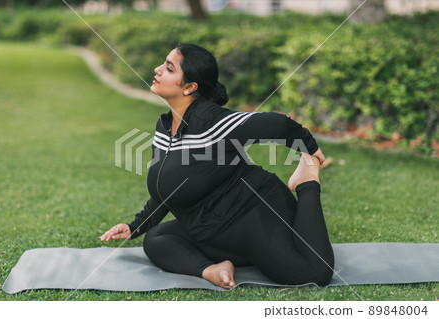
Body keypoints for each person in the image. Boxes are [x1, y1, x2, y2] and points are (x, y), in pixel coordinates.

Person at [100, 43, 335, 289]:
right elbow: (168, 190)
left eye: (169, 68)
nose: (157, 70)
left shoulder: (212, 122)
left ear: (190, 87)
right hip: (212, 232)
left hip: (252, 215)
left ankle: (307, 181)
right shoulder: (165, 127)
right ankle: (213, 268)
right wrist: (135, 225)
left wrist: (310, 149)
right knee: (157, 239)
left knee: (313, 273)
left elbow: (279, 125)